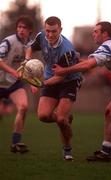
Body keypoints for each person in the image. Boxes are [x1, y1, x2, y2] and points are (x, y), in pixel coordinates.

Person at [53, 21, 111, 162]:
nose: (93, 34)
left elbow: (88, 65)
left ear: (105, 34)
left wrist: (64, 70)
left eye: (96, 31)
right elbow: (91, 62)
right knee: (110, 112)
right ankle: (106, 152)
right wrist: (76, 60)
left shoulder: (107, 47)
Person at [25, 16, 82, 160]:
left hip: (69, 80)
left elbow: (61, 77)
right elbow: (30, 48)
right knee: (43, 116)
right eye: (48, 31)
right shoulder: (41, 36)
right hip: (51, 78)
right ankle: (66, 118)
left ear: (60, 30)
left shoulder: (67, 50)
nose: (50, 35)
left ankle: (67, 149)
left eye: (54, 32)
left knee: (61, 120)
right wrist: (27, 61)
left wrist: (41, 83)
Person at [0, 16, 33, 153]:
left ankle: (15, 143)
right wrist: (13, 72)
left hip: (14, 84)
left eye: (24, 27)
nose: (21, 30)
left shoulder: (30, 45)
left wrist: (33, 82)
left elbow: (29, 67)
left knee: (23, 107)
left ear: (30, 30)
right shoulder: (8, 42)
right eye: (19, 27)